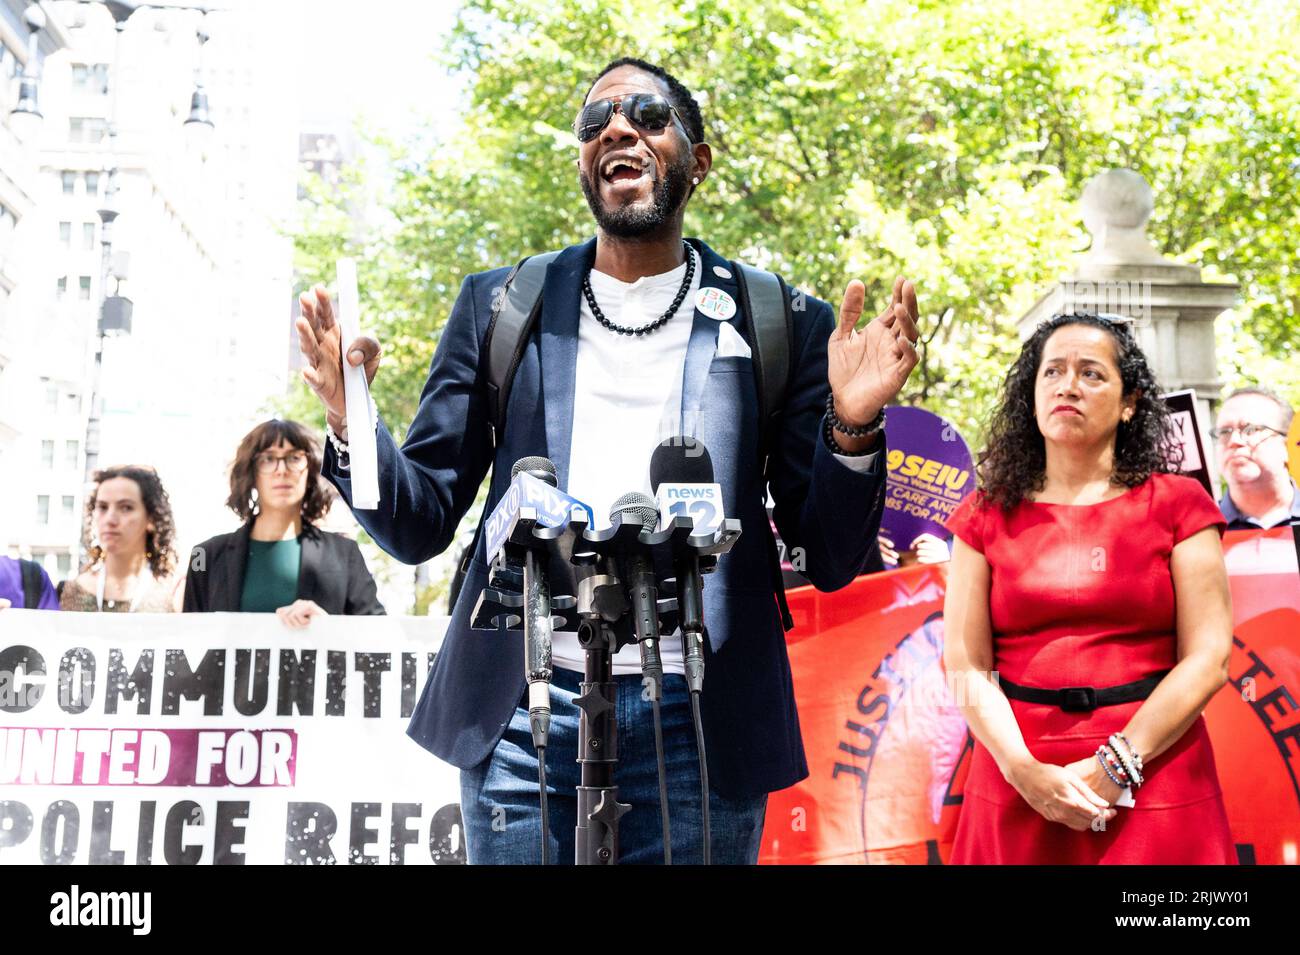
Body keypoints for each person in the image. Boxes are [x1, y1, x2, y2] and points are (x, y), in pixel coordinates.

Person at [295, 56, 922, 864]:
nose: (617, 129)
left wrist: (853, 422)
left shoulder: (778, 319)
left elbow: (831, 556)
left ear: (697, 160)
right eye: (595, 123)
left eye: (647, 115)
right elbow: (418, 521)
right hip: (524, 715)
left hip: (703, 720)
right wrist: (353, 423)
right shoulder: (501, 307)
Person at [942, 313, 1235, 864]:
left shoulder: (1180, 505)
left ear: (1130, 403)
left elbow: (1210, 658)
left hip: (1157, 774)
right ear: (1031, 396)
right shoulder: (983, 514)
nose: (1067, 385)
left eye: (1091, 373)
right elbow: (962, 665)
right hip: (1016, 777)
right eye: (1051, 371)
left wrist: (1117, 765)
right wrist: (1020, 770)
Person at [182, 419, 385, 625]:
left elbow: (378, 639)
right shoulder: (204, 555)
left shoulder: (345, 553)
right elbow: (189, 640)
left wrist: (328, 629)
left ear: (311, 469)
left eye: (294, 458)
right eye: (268, 459)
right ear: (251, 472)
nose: (282, 470)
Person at [60, 466, 184, 613]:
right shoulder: (70, 590)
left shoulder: (174, 593)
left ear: (151, 518)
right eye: (103, 507)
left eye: (126, 508)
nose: (110, 519)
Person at [1213, 386, 1299, 530]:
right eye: (1224, 431)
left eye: (1251, 429)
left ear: (1287, 443)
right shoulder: (1202, 529)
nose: (1234, 440)